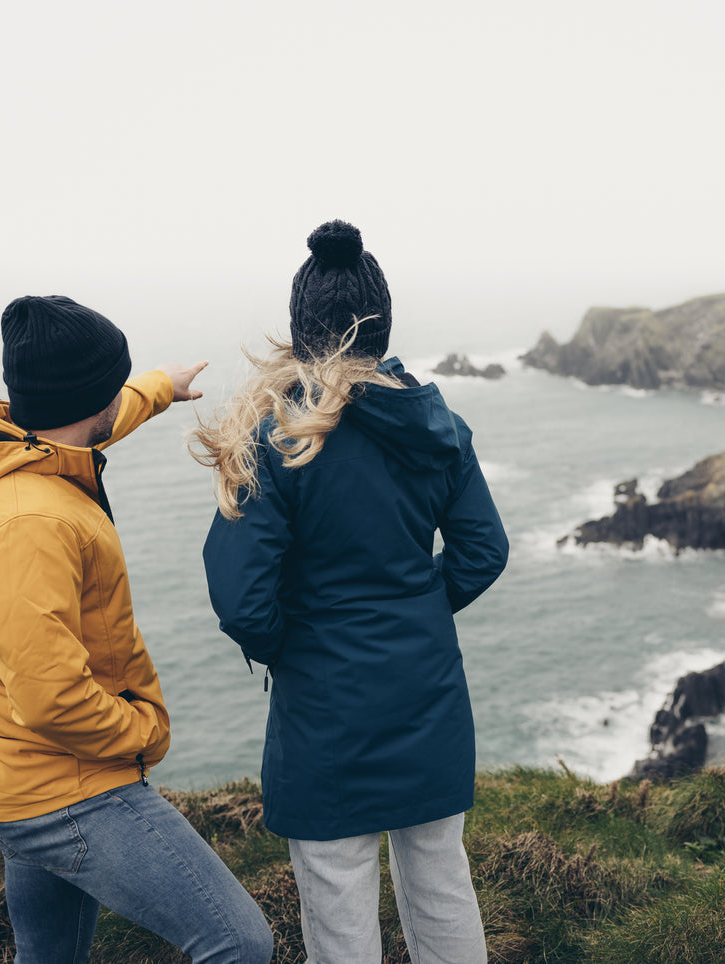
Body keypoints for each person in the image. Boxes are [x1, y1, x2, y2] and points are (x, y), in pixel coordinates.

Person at [0, 295, 273, 964]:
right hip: (63, 793)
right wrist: (143, 732)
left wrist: (159, 388)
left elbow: (96, 421)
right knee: (238, 943)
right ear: (89, 398)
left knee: (49, 957)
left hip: (10, 775)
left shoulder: (10, 446)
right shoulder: (26, 528)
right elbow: (50, 699)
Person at [194, 220, 508, 963]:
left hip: (325, 704)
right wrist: (419, 608)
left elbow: (241, 598)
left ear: (304, 333)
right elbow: (483, 550)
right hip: (425, 688)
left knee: (337, 897)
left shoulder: (279, 436)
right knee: (440, 883)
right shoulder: (439, 427)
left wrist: (291, 645)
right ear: (380, 326)